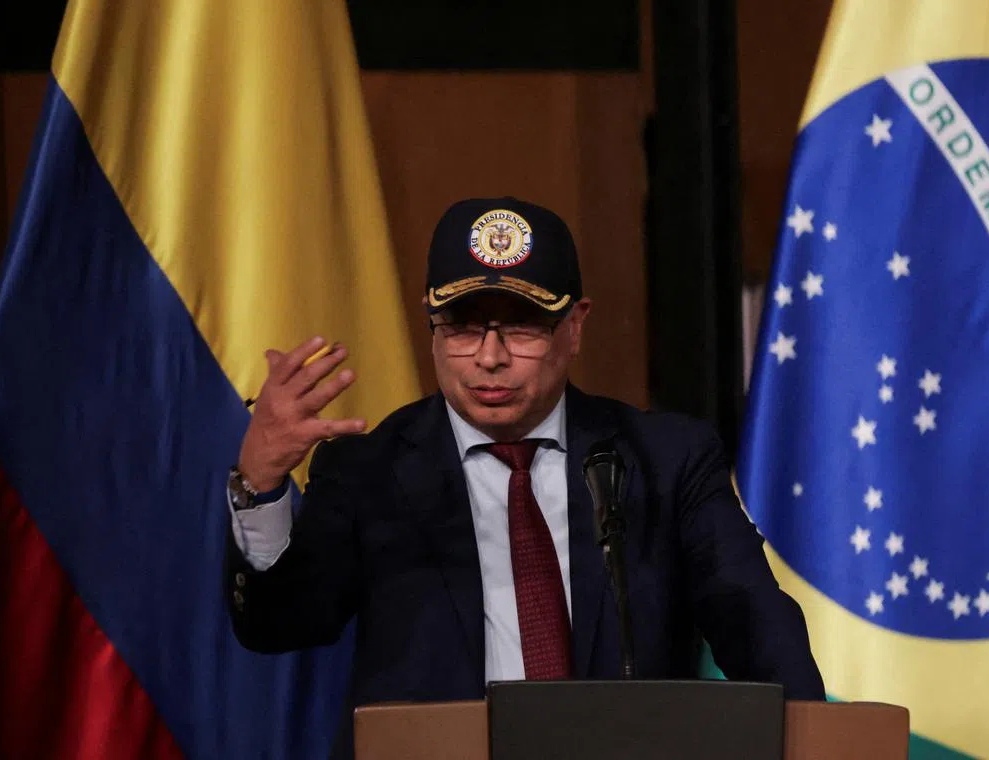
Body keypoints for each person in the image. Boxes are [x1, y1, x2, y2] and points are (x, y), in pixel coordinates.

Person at [224, 197, 825, 758]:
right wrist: (261, 484)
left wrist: (815, 743)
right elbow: (280, 624)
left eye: (522, 326)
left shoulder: (665, 461)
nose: (489, 357)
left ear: (576, 326)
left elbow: (754, 622)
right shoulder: (370, 470)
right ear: (430, 324)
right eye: (461, 325)